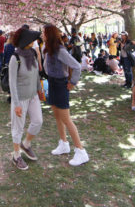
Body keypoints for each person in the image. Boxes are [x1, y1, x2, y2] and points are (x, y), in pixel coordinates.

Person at [42, 24, 89, 166]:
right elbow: (45, 66)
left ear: (49, 35)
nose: (42, 35)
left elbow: (76, 66)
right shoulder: (48, 49)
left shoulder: (59, 50)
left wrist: (73, 82)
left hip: (60, 84)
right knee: (57, 116)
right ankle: (63, 143)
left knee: (66, 119)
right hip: (52, 83)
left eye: (44, 33)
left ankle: (81, 151)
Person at [8, 27, 44, 170]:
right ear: (25, 41)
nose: (34, 41)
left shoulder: (33, 53)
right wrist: (16, 104)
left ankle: (26, 144)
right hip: (20, 98)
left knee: (38, 121)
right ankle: (16, 155)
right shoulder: (14, 58)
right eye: (31, 39)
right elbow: (12, 83)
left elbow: (36, 74)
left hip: (33, 95)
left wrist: (40, 90)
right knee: (17, 128)